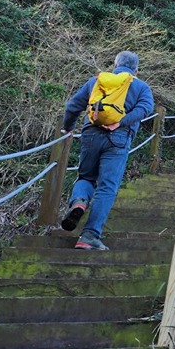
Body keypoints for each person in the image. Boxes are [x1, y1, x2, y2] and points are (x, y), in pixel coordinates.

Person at [60, 51, 154, 250]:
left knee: (86, 177)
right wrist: (120, 122)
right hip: (118, 139)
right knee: (106, 187)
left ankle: (79, 202)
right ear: (136, 70)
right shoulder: (140, 86)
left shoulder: (97, 81)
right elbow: (146, 108)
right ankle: (89, 236)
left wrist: (68, 128)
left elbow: (73, 106)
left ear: (115, 64)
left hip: (91, 134)